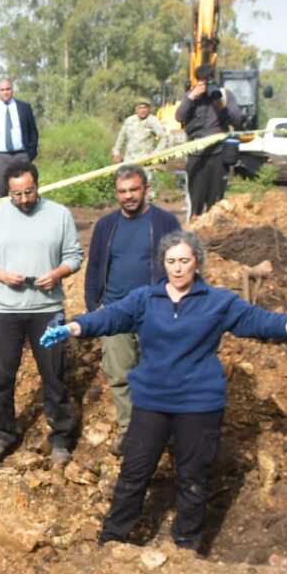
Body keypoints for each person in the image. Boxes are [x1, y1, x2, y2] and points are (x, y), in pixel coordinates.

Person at [41, 231, 287, 552]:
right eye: (171, 261)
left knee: (192, 478)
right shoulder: (145, 299)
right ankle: (112, 540)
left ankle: (186, 546)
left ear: (197, 262)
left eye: (184, 261)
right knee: (134, 473)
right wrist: (73, 327)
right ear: (163, 264)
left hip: (198, 405)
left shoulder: (218, 302)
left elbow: (262, 322)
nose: (177, 268)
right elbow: (111, 317)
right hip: (152, 403)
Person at [0, 158, 82, 465]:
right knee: (2, 374)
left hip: (47, 309)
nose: (23, 200)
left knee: (53, 374)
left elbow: (75, 255)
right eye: (16, 194)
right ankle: (3, 432)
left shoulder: (59, 215)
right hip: (5, 310)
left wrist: (58, 273)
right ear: (7, 191)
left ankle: (60, 436)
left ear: (37, 186)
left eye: (29, 193)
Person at [83, 165, 181, 453]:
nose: (128, 196)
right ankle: (130, 431)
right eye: (123, 191)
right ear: (116, 193)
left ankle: (165, 431)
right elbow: (96, 267)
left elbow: (181, 264)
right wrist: (94, 307)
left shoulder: (165, 222)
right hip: (115, 312)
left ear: (145, 190)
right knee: (120, 375)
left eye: (134, 190)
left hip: (155, 311)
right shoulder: (105, 226)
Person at [175, 72, 243, 220]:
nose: (206, 84)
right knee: (196, 203)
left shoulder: (224, 95)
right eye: (203, 81)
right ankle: (194, 234)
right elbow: (179, 117)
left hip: (218, 155)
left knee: (216, 202)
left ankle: (214, 236)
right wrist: (192, 96)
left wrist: (221, 104)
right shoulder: (191, 96)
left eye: (209, 80)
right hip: (196, 156)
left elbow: (237, 120)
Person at [0, 78, 39, 198]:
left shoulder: (24, 108)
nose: (5, 92)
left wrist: (29, 154)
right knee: (0, 192)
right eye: (2, 90)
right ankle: (3, 216)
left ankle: (24, 215)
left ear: (12, 90)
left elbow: (33, 132)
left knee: (25, 190)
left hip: (21, 156)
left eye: (8, 89)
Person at [111, 99, 167, 164]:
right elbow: (121, 138)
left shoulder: (153, 121)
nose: (143, 110)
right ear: (136, 110)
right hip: (129, 159)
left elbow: (164, 137)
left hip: (145, 160)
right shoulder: (129, 120)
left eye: (145, 108)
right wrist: (116, 153)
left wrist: (156, 153)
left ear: (149, 109)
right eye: (140, 108)